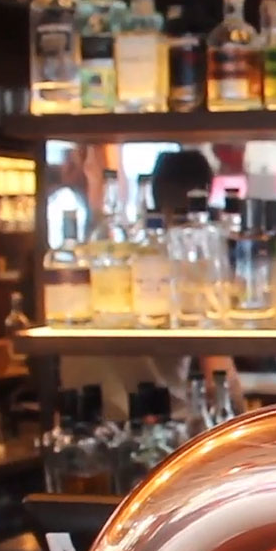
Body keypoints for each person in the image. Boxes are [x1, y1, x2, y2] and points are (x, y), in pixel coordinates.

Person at [60, 149, 241, 420]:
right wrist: (243, 417)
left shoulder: (106, 251)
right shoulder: (191, 262)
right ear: (205, 192)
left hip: (82, 414)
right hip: (158, 424)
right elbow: (218, 373)